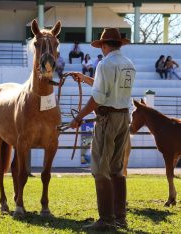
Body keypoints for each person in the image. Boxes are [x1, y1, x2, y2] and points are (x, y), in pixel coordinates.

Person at [69, 28, 135, 231]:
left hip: (107, 119)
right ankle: (120, 218)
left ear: (105, 45)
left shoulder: (104, 64)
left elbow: (99, 97)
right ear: (119, 44)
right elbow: (109, 89)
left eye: (101, 46)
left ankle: (106, 220)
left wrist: (79, 117)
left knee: (100, 169)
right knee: (117, 169)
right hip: (124, 116)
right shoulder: (128, 65)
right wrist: (86, 78)